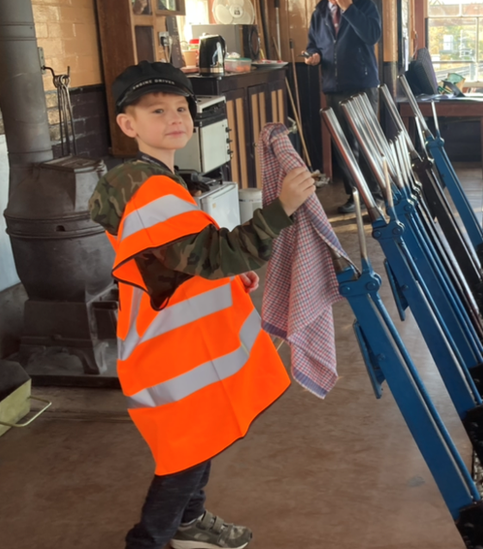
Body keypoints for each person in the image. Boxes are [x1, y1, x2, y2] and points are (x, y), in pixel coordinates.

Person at [89, 61, 316, 549]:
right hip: (171, 355)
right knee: (184, 454)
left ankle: (190, 524)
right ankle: (147, 541)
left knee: (202, 436)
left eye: (180, 107)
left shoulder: (157, 179)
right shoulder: (149, 189)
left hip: (183, 346)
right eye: (156, 111)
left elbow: (174, 260)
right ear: (129, 126)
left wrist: (225, 276)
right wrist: (281, 209)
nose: (173, 117)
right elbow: (212, 253)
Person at [304, 0, 383, 214]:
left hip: (362, 86)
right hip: (333, 87)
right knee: (344, 147)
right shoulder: (319, 12)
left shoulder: (365, 5)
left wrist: (349, 8)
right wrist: (314, 55)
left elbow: (372, 35)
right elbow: (312, 44)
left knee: (366, 143)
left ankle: (376, 197)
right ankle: (355, 195)